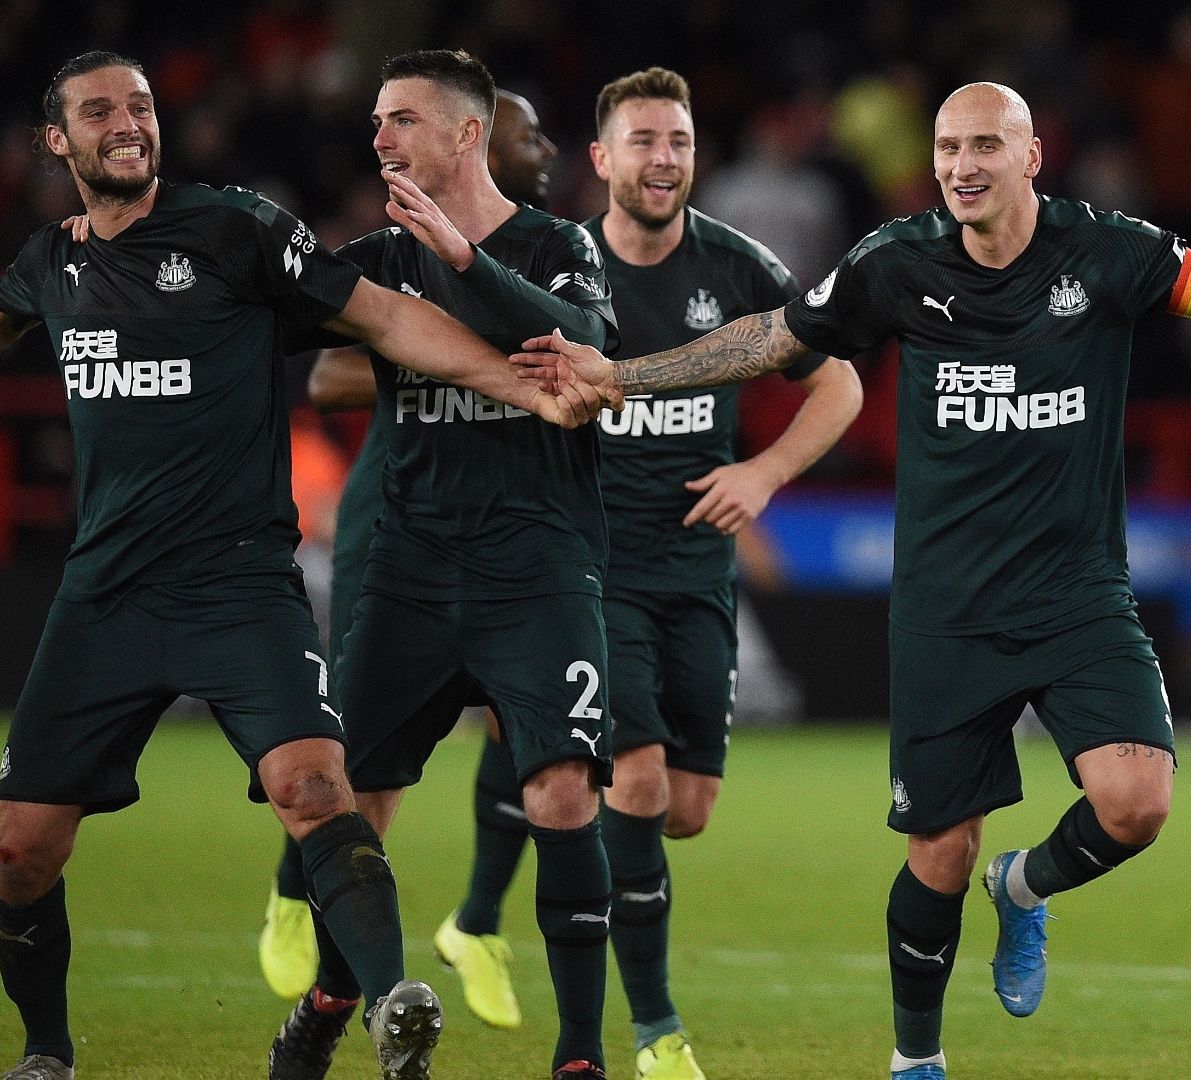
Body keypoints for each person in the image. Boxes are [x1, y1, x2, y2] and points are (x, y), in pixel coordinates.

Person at [516, 82, 1191, 1080]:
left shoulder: (1107, 253)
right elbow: (769, 342)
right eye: (946, 150)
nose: (961, 168)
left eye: (983, 147)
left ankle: (1029, 886)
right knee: (938, 853)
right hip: (945, 612)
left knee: (1139, 801)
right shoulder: (894, 263)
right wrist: (626, 373)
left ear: (1030, 156)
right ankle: (916, 1058)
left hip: (1076, 596)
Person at [0, 51, 601, 1080]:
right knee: (20, 851)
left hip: (240, 585)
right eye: (100, 111)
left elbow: (386, 317)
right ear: (59, 141)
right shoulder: (54, 259)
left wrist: (521, 386)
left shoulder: (237, 228)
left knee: (317, 786)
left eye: (140, 106)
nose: (127, 123)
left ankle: (393, 1005)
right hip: (106, 595)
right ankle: (47, 1052)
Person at [435, 67, 862, 1080]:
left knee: (685, 808)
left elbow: (839, 379)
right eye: (642, 141)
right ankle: (654, 1029)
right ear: (602, 160)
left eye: (677, 141)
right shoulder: (556, 269)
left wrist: (764, 470)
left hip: (697, 576)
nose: (662, 158)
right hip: (590, 572)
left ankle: (529, 808)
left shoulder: (740, 266)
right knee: (632, 778)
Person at [256, 51, 620, 1080]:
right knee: (350, 804)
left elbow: (583, 337)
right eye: (377, 120)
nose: (381, 137)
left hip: (538, 569)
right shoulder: (372, 258)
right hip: (410, 570)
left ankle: (581, 1057)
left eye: (403, 119)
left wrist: (463, 259)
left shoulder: (558, 245)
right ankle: (337, 999)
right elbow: (276, 334)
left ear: (466, 135)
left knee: (560, 796)